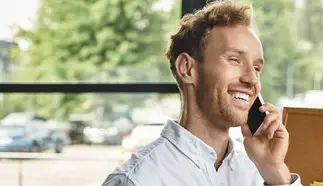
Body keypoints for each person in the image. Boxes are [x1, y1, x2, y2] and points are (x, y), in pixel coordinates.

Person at [101, 1, 302, 185]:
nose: (252, 79)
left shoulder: (259, 174)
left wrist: (274, 169)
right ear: (187, 69)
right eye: (234, 60)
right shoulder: (137, 181)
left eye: (257, 68)